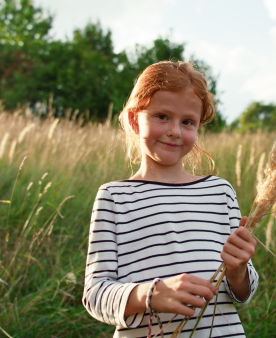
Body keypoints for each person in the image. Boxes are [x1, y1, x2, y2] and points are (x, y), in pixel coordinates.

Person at [82, 60, 259, 337]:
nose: (175, 130)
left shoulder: (219, 192)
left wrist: (238, 272)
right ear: (134, 120)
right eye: (162, 116)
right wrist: (150, 294)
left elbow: (243, 294)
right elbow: (95, 295)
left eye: (187, 122)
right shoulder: (115, 197)